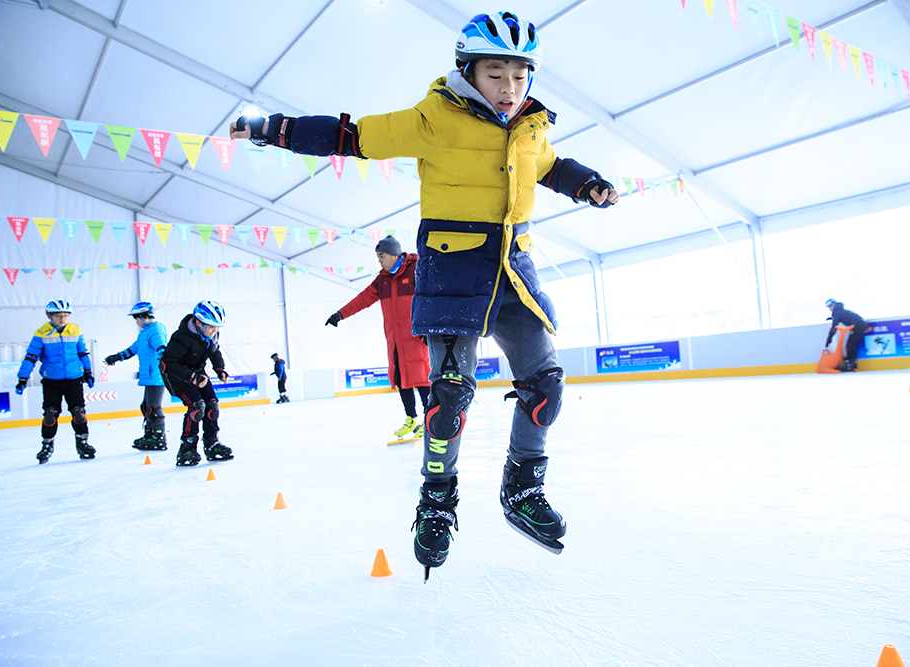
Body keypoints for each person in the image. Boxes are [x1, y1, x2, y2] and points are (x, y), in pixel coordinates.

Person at [231, 11, 619, 578]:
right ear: (467, 70)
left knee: (546, 389)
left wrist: (586, 183)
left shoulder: (534, 127)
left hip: (514, 272)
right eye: (495, 74)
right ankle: (437, 500)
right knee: (447, 402)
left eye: (519, 75)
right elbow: (352, 136)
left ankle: (522, 489)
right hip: (453, 271)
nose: (509, 88)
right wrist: (272, 128)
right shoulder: (433, 117)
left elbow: (549, 166)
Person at [325, 235, 431, 441]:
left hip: (417, 338)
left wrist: (430, 329)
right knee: (402, 380)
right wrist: (340, 314)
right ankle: (412, 419)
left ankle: (430, 421)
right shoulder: (383, 279)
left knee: (422, 380)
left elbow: (431, 297)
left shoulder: (416, 269)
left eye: (381, 256)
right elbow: (363, 299)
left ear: (393, 254)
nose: (379, 261)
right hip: (395, 342)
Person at [16, 300, 95, 464]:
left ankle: (83, 443)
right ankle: (46, 446)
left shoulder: (75, 330)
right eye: (58, 316)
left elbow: (82, 353)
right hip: (52, 381)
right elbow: (31, 357)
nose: (62, 319)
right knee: (50, 414)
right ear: (49, 316)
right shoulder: (41, 333)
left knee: (78, 413)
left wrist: (88, 372)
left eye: (65, 315)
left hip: (74, 379)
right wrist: (23, 378)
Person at [159, 301, 234, 466]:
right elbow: (167, 364)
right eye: (212, 327)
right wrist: (192, 377)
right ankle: (187, 448)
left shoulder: (211, 335)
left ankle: (212, 443)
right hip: (176, 376)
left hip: (198, 372)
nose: (215, 331)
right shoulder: (181, 338)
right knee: (197, 405)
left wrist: (220, 369)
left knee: (212, 404)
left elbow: (215, 351)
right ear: (198, 323)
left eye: (217, 328)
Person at [103, 302, 169, 450]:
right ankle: (150, 434)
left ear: (144, 317)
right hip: (150, 375)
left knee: (153, 407)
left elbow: (161, 347)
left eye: (137, 319)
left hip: (156, 375)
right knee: (146, 406)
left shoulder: (155, 330)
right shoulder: (145, 333)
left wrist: (165, 362)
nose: (137, 322)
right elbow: (133, 349)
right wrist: (116, 357)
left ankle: (158, 438)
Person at [825, 298, 868, 372]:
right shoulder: (840, 311)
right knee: (851, 344)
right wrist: (833, 318)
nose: (829, 309)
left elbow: (834, 327)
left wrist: (829, 339)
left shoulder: (836, 312)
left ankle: (849, 365)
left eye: (830, 307)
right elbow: (844, 317)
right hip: (861, 324)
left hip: (858, 325)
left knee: (850, 345)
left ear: (833, 306)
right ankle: (851, 364)